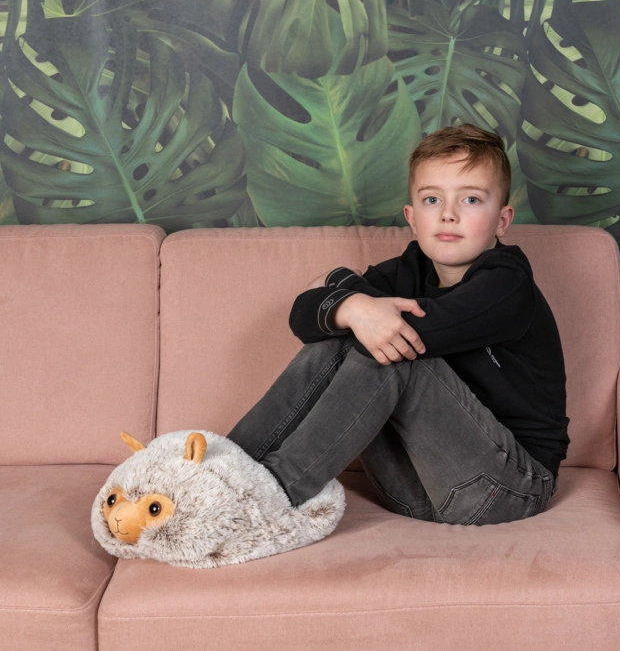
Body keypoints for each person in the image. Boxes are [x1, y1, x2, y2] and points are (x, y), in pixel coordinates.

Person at [227, 123, 570, 526]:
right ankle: (221, 471)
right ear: (412, 217)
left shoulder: (507, 283)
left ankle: (269, 495)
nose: (448, 214)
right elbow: (303, 316)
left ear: (502, 220)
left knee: (392, 345)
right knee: (349, 330)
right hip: (411, 487)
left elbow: (409, 331)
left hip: (508, 488)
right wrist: (354, 307)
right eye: (432, 199)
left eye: (471, 199)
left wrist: (343, 288)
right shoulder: (407, 272)